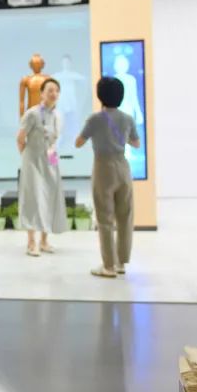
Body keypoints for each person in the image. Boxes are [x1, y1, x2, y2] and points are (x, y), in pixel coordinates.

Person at [76, 76, 141, 278]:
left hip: (103, 167)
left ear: (100, 95)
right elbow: (136, 143)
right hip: (123, 166)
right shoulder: (128, 119)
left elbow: (79, 142)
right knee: (125, 216)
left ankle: (108, 266)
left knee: (105, 218)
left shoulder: (94, 119)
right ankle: (121, 262)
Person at [17, 78, 69, 256]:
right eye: (50, 90)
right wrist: (27, 157)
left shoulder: (58, 115)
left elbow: (54, 140)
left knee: (51, 195)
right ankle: (31, 242)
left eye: (56, 91)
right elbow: (20, 138)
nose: (54, 94)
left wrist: (53, 161)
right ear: (41, 93)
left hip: (51, 159)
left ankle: (44, 240)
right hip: (33, 160)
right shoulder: (32, 114)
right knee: (33, 198)